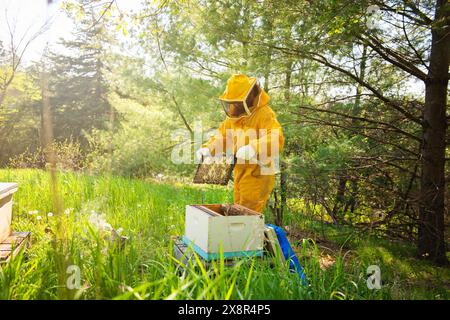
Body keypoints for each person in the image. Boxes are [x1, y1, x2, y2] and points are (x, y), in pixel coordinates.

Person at [196, 74, 284, 213]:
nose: (234, 106)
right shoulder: (233, 115)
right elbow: (223, 137)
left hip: (258, 173)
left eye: (237, 102)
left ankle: (249, 235)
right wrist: (208, 149)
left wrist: (254, 148)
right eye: (232, 102)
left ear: (249, 97)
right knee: (239, 209)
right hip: (240, 170)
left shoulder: (264, 113)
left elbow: (275, 137)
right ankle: (243, 234)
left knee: (248, 212)